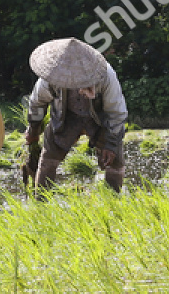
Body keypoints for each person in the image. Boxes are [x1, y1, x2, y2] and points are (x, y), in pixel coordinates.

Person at [24, 38, 128, 192]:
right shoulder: (51, 76)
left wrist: (111, 144)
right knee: (48, 158)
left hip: (99, 119)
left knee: (115, 161)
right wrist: (33, 130)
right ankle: (41, 202)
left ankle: (113, 202)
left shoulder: (106, 75)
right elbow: (37, 103)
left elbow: (117, 113)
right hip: (66, 118)